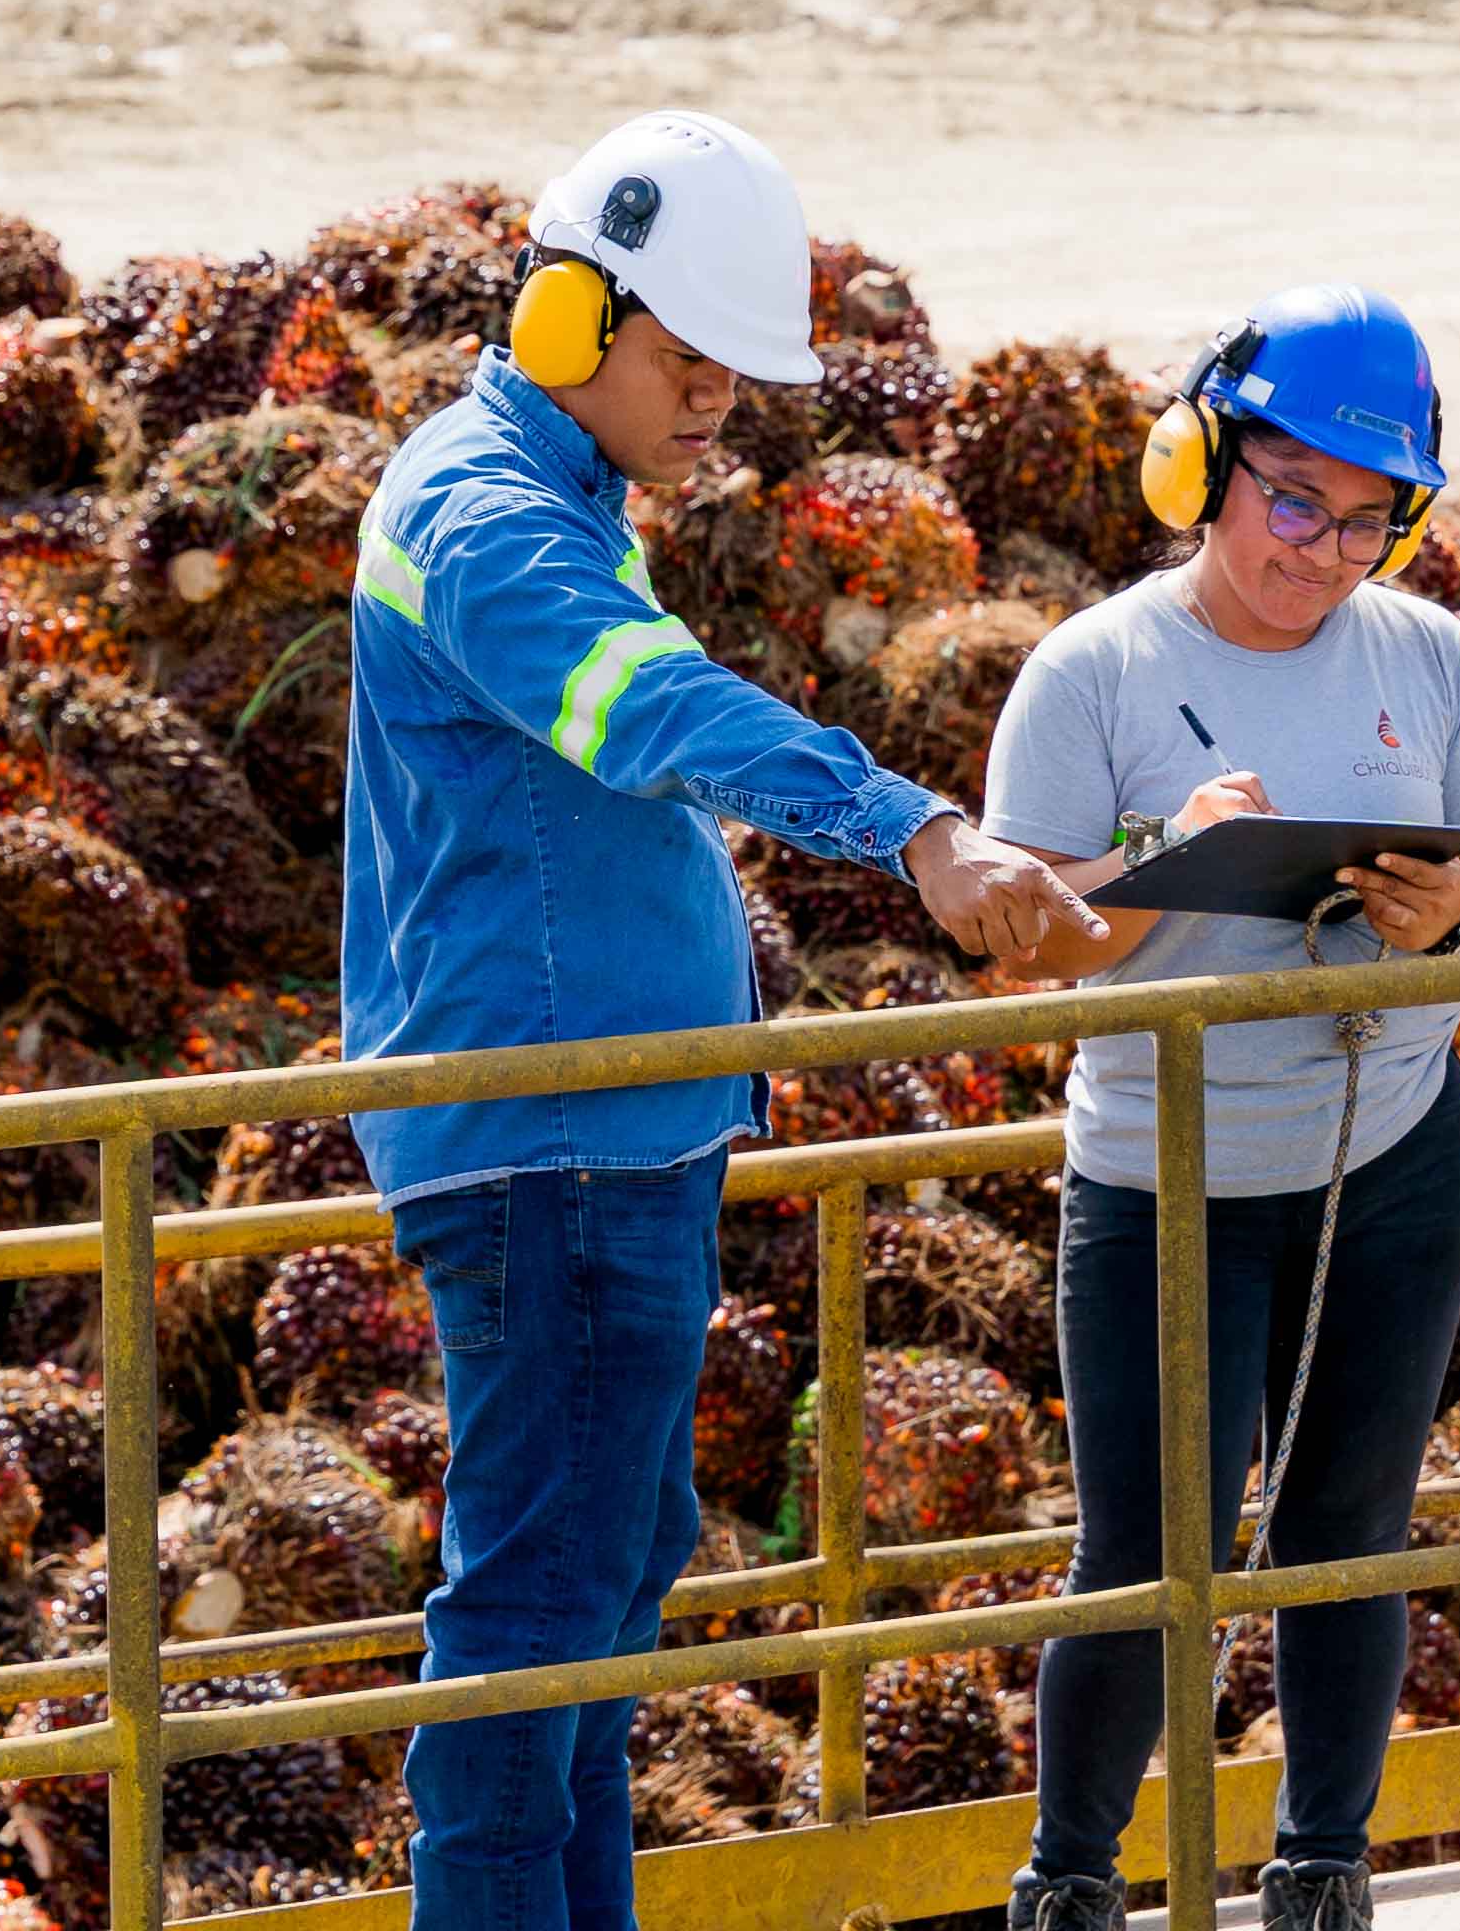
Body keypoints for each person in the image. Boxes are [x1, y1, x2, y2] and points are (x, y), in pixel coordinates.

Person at [344, 107, 1104, 1931]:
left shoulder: (561, 502)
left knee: (600, 1594)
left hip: (626, 1133)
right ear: (561, 325)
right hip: (550, 1141)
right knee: (537, 1611)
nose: (714, 413)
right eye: (690, 365)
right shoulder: (484, 525)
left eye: (735, 382)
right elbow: (662, 716)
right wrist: (910, 826)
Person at [970, 287, 1460, 1931]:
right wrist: (1168, 856)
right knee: (1149, 1555)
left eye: (1369, 522)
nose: (1323, 550)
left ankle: (1322, 1871)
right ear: (1203, 465)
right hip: (1165, 1172)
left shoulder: (1426, 655)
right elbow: (1033, 934)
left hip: (1388, 1151)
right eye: (1294, 499)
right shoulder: (1091, 673)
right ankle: (1070, 1886)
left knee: (1351, 1525)